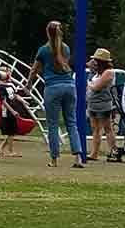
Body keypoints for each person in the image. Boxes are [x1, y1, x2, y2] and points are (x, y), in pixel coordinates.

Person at [25, 20, 84, 168]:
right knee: (72, 122)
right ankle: (78, 157)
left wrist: (29, 85)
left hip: (52, 88)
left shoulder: (43, 50)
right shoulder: (66, 48)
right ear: (60, 32)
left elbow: (34, 70)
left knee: (53, 124)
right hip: (69, 86)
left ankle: (54, 159)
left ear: (47, 32)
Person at [86, 49, 116, 161]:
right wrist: (91, 70)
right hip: (92, 104)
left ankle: (114, 151)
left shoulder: (108, 72)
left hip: (103, 104)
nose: (93, 62)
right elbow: (91, 84)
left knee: (107, 128)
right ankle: (94, 154)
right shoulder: (95, 73)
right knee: (95, 129)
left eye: (95, 60)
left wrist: (89, 84)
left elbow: (96, 87)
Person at [0, 71, 27, 158]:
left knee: (12, 131)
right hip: (7, 111)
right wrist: (12, 111)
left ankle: (1, 147)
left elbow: (15, 95)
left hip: (13, 109)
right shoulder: (0, 87)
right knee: (11, 131)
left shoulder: (11, 85)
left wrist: (23, 101)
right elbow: (3, 101)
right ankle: (11, 151)